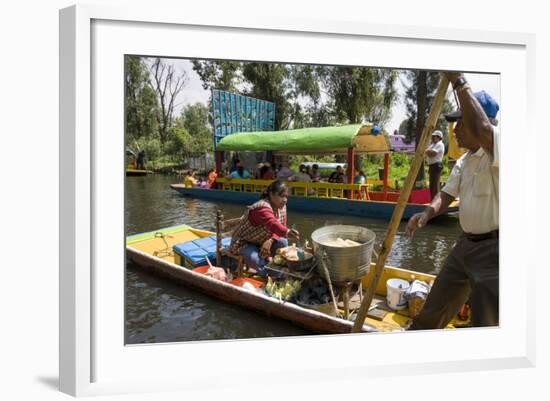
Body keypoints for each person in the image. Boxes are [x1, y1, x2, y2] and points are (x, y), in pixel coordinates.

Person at [406, 72, 500, 329]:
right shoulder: (464, 160)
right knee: (435, 305)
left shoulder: (500, 148)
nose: (455, 130)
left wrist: (457, 79)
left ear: (483, 122)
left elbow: (484, 130)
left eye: (461, 123)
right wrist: (426, 214)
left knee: (486, 322)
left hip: (494, 251)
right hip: (465, 245)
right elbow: (446, 194)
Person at [228, 180, 300, 277]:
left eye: (286, 196)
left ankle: (273, 264)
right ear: (271, 194)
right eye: (281, 196)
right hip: (243, 242)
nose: (285, 200)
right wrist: (287, 231)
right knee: (256, 259)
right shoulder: (261, 207)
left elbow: (282, 224)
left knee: (283, 242)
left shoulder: (282, 206)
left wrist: (270, 241)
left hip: (261, 240)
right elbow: (273, 223)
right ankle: (269, 275)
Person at [425, 130, 445, 200]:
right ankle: (433, 200)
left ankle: (436, 201)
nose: (432, 138)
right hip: (432, 166)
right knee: (432, 185)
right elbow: (428, 152)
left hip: (436, 166)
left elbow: (432, 153)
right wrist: (427, 151)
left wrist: (427, 151)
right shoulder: (433, 145)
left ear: (439, 137)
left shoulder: (440, 144)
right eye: (432, 136)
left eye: (434, 136)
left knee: (435, 185)